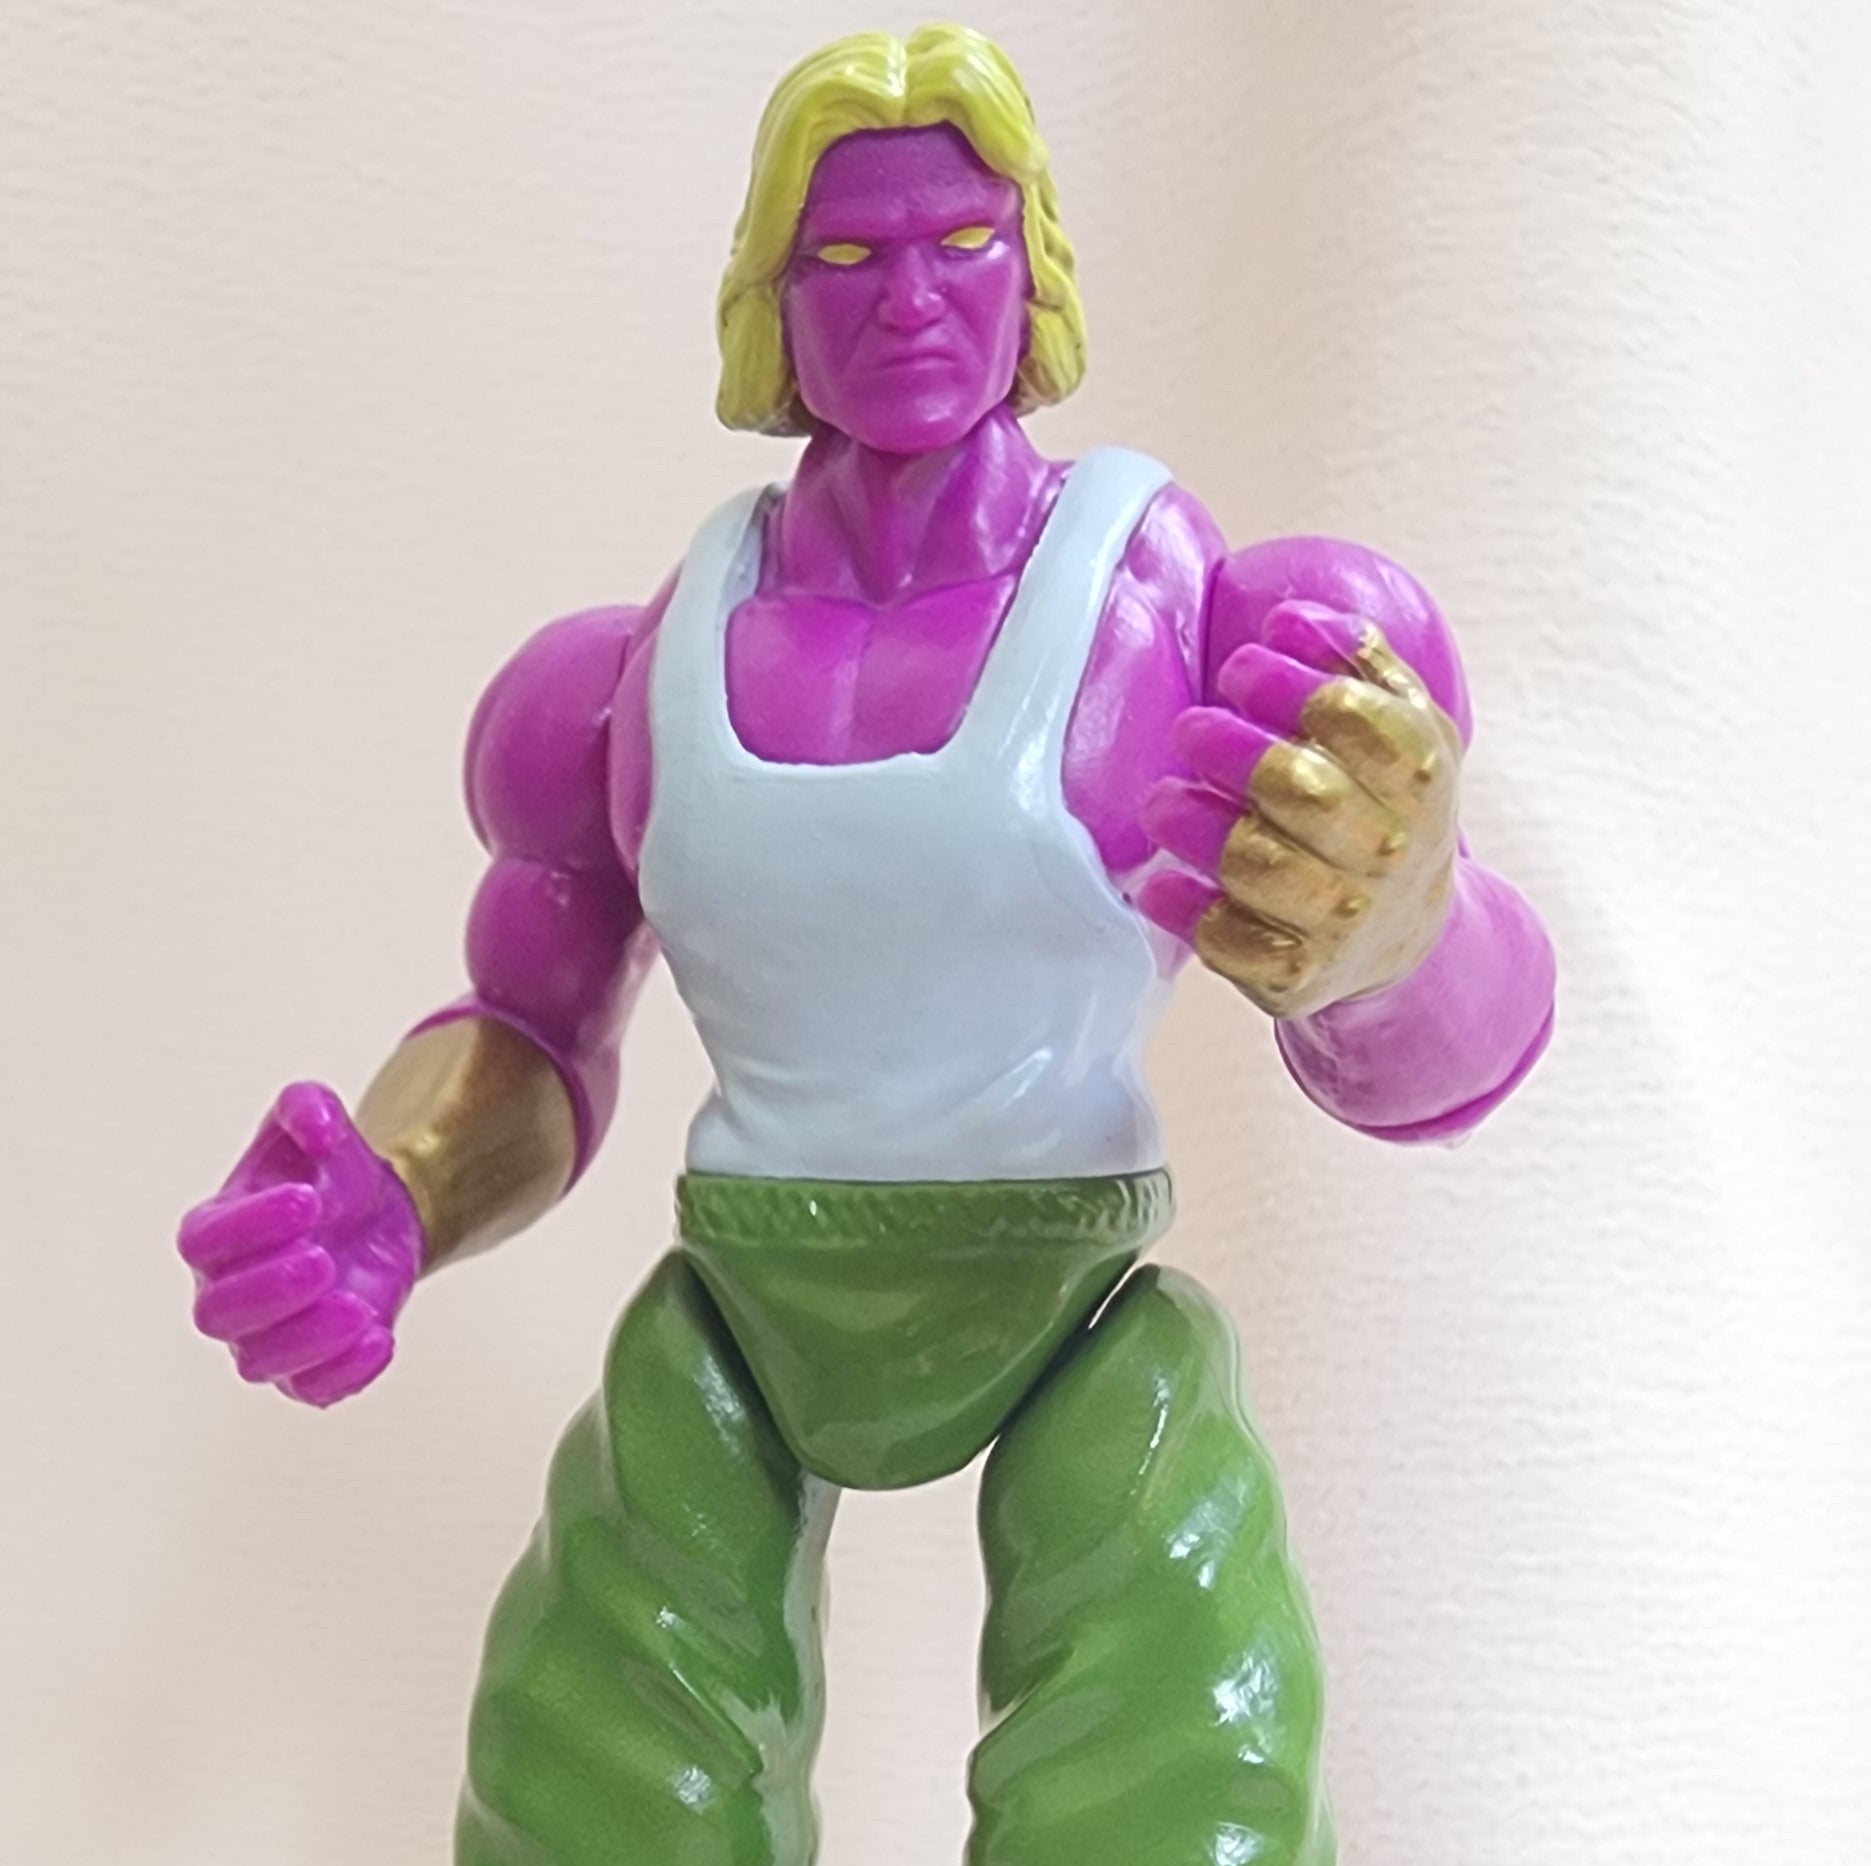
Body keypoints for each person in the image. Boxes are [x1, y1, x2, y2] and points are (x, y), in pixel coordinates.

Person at [178, 25, 1554, 1866]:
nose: (909, 297)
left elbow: (1457, 1056)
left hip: (1072, 1293)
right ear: (771, 299)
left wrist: (1399, 928)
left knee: (1176, 1760)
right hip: (746, 1298)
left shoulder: (1205, 619)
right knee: (594, 1776)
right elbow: (534, 1028)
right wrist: (401, 1190)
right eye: (846, 254)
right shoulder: (618, 679)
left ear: (1032, 264)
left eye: (960, 242)